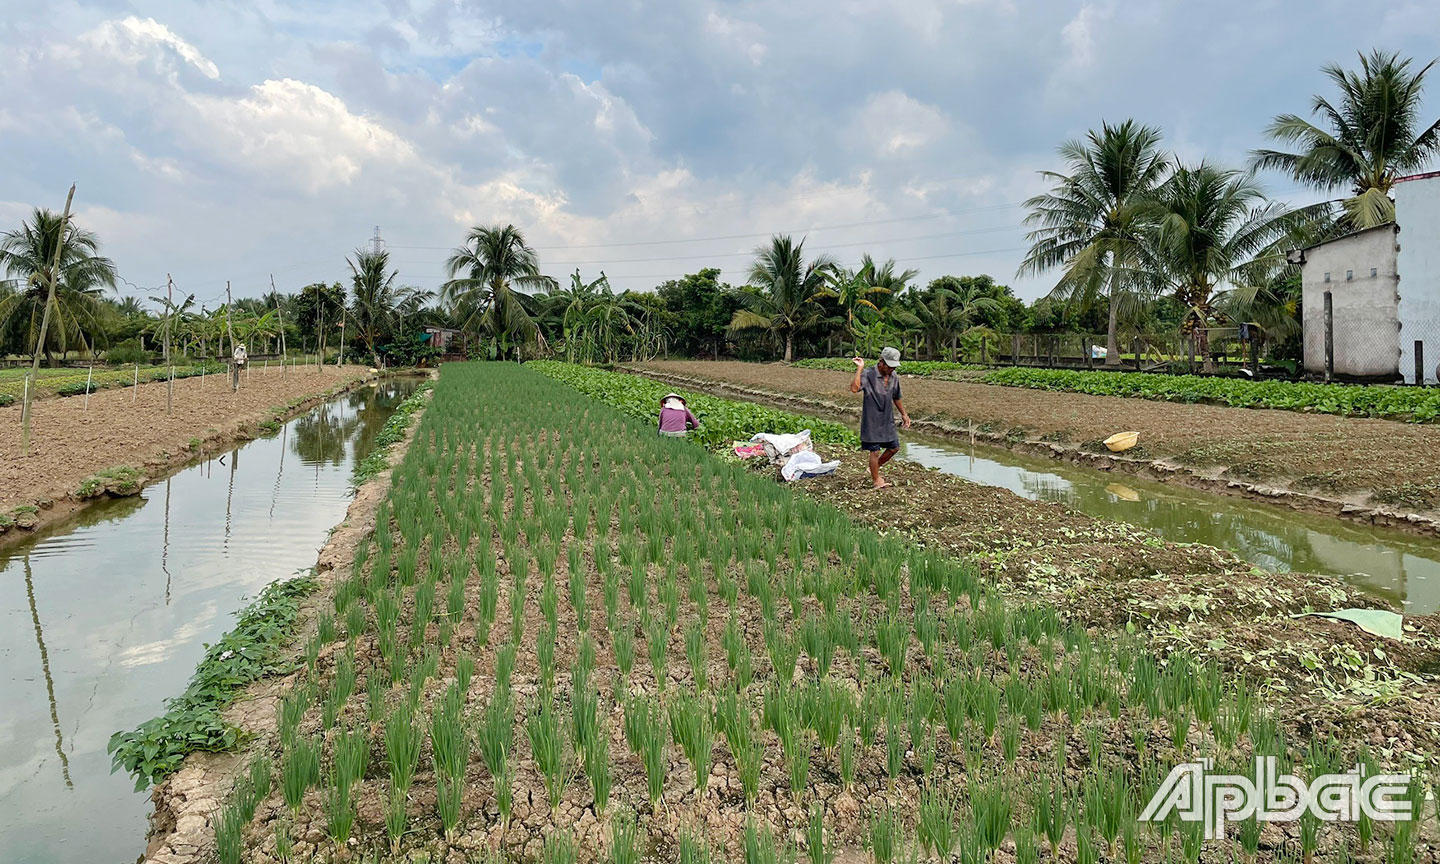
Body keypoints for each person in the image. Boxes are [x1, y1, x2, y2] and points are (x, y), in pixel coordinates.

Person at [850, 346, 912, 489]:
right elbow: (854, 389)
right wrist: (860, 369)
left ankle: (874, 468)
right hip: (871, 420)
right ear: (881, 362)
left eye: (894, 367)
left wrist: (904, 414)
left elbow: (896, 397)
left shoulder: (894, 377)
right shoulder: (868, 374)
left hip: (887, 419)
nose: (892, 370)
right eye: (889, 366)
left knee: (894, 448)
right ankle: (876, 480)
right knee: (875, 451)